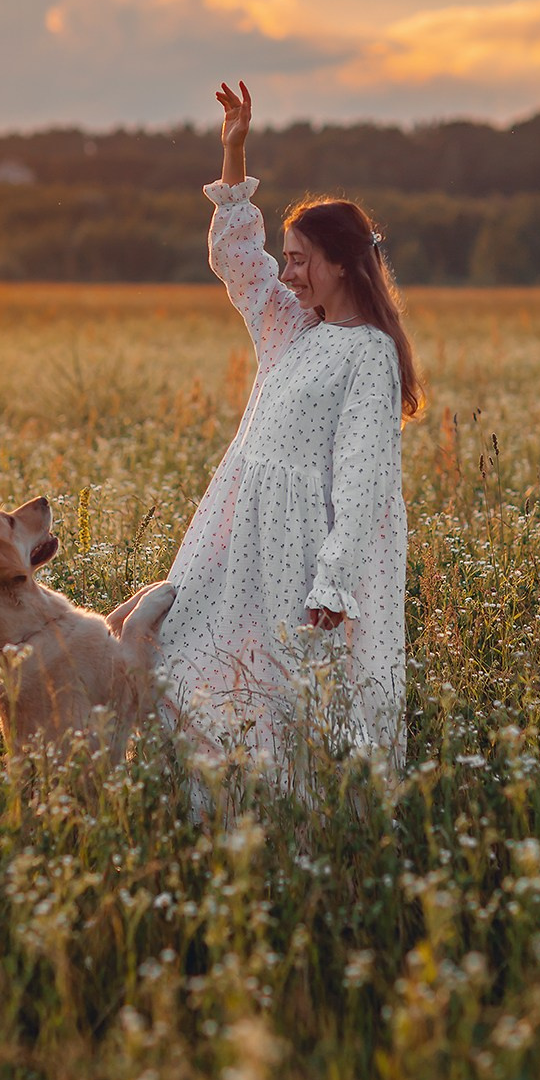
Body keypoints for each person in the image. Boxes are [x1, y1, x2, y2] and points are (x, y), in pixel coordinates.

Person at [158, 80, 420, 773]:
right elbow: (237, 261)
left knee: (291, 699)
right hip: (238, 531)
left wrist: (333, 582)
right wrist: (234, 151)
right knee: (183, 657)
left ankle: (298, 838)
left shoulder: (368, 353)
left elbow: (365, 479)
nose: (291, 272)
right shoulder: (288, 326)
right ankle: (215, 815)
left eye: (302, 259)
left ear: (342, 264)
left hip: (302, 553)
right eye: (291, 258)